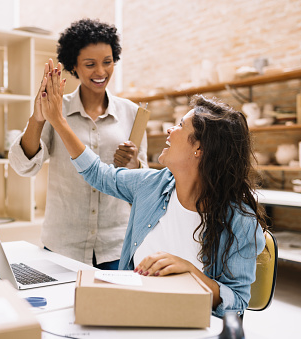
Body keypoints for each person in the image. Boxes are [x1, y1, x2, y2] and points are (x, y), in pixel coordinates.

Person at [39, 68, 268, 317]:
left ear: (200, 148)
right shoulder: (151, 185)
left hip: (189, 323)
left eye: (181, 125)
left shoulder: (240, 221)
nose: (171, 129)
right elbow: (97, 174)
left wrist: (192, 273)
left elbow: (237, 301)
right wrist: (58, 121)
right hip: (133, 311)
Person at [9, 19, 147, 270]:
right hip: (64, 245)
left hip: (116, 246)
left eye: (107, 62)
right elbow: (23, 167)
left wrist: (134, 163)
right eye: (90, 64)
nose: (101, 72)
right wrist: (38, 117)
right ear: (74, 65)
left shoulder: (132, 113)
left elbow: (143, 185)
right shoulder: (55, 111)